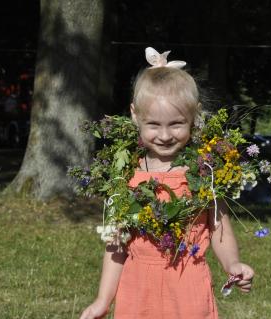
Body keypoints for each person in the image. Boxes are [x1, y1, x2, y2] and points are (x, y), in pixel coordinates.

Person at [79, 49, 254, 319]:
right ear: (135, 115)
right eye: (153, 124)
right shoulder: (124, 174)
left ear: (194, 116)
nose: (164, 135)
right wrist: (103, 299)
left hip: (187, 282)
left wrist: (233, 264)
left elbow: (219, 227)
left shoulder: (204, 170)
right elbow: (116, 243)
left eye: (176, 124)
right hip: (137, 288)